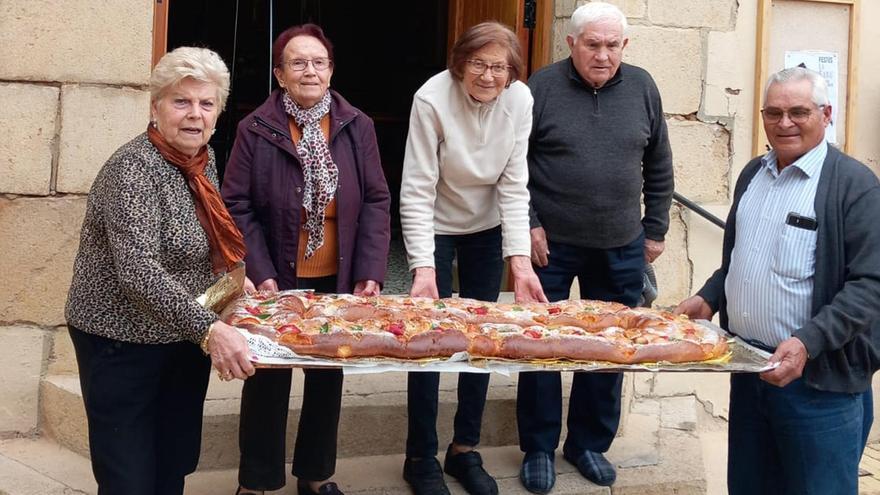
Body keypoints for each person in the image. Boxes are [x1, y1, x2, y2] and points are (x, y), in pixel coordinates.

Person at [675, 66, 880, 495]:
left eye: (798, 112)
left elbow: (870, 286)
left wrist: (807, 342)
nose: (784, 123)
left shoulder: (855, 186)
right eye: (773, 112)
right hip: (750, 370)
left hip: (818, 385)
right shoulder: (753, 174)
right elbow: (742, 255)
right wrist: (710, 296)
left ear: (826, 114)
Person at [64, 46, 255, 495]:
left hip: (181, 336)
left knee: (172, 465)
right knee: (128, 478)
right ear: (155, 108)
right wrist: (211, 330)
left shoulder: (201, 161)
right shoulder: (132, 169)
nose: (195, 115)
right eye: (181, 102)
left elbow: (203, 244)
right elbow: (139, 272)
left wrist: (231, 291)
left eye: (206, 104)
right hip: (120, 341)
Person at [222, 23, 391, 495]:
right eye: (297, 63)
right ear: (280, 74)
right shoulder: (255, 127)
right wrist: (261, 272)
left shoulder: (357, 125)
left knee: (327, 376)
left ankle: (315, 477)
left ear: (331, 70)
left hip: (338, 276)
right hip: (277, 274)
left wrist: (370, 271)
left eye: (319, 62)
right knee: (267, 378)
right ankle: (256, 482)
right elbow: (236, 204)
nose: (309, 71)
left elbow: (376, 200)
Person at [517, 2, 674, 492]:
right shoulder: (539, 88)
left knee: (608, 348)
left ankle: (587, 444)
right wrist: (530, 224)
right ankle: (538, 447)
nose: (603, 55)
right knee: (540, 346)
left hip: (622, 244)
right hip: (551, 245)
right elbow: (512, 167)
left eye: (612, 46)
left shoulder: (643, 86)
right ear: (571, 44)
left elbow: (660, 162)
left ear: (624, 46)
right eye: (592, 44)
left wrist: (655, 228)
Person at [399, 21, 546, 495]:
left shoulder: (521, 100)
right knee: (429, 340)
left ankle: (464, 448)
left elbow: (514, 181)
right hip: (436, 222)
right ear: (460, 64)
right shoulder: (431, 98)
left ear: (512, 72)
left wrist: (518, 262)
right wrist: (423, 266)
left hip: (487, 226)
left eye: (498, 67)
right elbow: (417, 188)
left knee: (482, 339)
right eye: (478, 64)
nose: (488, 75)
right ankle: (420, 455)